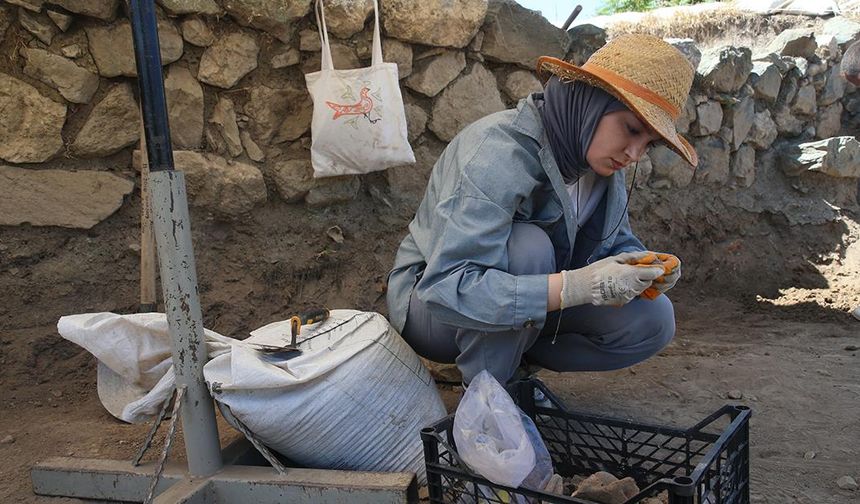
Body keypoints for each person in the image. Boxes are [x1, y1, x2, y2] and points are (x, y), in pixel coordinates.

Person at [386, 34, 698, 389]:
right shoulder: (497, 151)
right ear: (591, 103)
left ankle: (514, 368)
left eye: (648, 143)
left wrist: (642, 267)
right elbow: (448, 288)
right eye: (631, 129)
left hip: (521, 313)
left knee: (653, 319)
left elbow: (614, 241)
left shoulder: (598, 167)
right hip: (434, 311)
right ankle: (490, 395)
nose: (634, 154)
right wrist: (576, 286)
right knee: (528, 247)